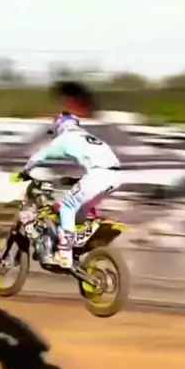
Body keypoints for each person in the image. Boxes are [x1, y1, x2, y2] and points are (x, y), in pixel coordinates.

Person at [14, 81, 122, 268]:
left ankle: (64, 253)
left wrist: (25, 172)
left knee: (66, 207)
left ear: (60, 127)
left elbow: (38, 156)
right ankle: (77, 243)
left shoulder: (64, 139)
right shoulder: (88, 137)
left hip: (98, 175)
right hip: (115, 176)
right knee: (80, 210)